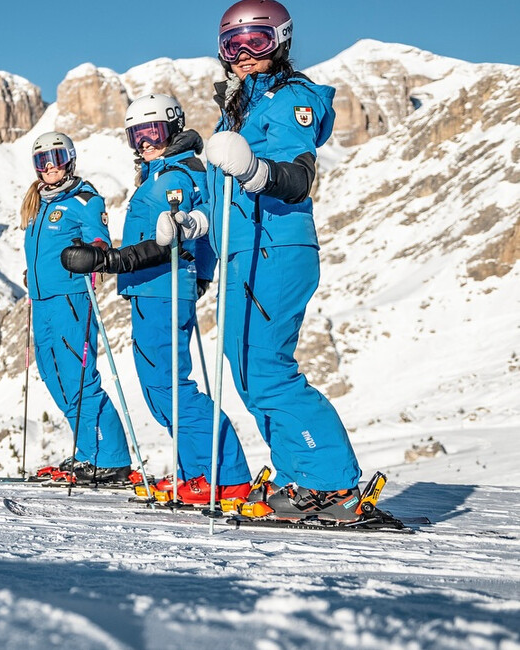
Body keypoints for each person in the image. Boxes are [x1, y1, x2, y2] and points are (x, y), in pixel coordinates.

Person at [204, 0, 362, 520]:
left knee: (267, 366)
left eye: (258, 40)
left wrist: (254, 170)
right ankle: (302, 475)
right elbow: (224, 198)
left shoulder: (293, 99)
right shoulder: (240, 111)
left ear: (282, 41)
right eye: (234, 43)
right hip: (243, 251)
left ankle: (332, 481)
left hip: (277, 246)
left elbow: (297, 176)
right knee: (248, 367)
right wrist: (194, 224)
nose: (245, 53)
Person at [59, 95, 253, 504]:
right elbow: (194, 234)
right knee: (164, 388)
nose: (144, 142)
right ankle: (197, 474)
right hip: (156, 288)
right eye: (136, 135)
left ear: (174, 127)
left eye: (153, 132)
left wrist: (109, 259)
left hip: (160, 288)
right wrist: (199, 275)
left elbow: (175, 237)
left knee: (168, 388)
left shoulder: (176, 176)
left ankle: (224, 475)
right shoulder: (166, 172)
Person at [21, 132, 133, 486]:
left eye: (55, 158)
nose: (49, 167)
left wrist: (92, 255)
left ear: (69, 158)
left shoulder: (83, 199)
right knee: (55, 378)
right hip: (42, 302)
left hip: (71, 300)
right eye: (42, 161)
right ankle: (88, 451)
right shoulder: (39, 204)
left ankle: (110, 457)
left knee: (80, 378)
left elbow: (99, 241)